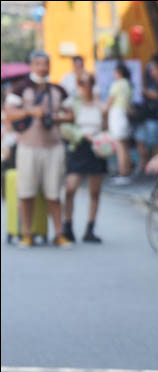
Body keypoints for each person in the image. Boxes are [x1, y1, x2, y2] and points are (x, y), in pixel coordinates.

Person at [2, 50, 74, 248]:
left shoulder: (58, 90)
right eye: (38, 63)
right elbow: (8, 113)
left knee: (54, 192)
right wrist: (30, 111)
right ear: (32, 66)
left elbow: (71, 114)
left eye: (46, 63)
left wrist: (55, 117)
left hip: (53, 147)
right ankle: (27, 234)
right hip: (28, 147)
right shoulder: (20, 88)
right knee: (26, 192)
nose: (43, 67)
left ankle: (58, 234)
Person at [61, 73, 106, 243]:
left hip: (97, 147)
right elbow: (65, 126)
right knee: (70, 188)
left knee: (95, 191)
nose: (86, 85)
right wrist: (81, 135)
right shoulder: (72, 103)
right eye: (82, 82)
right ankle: (68, 226)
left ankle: (90, 228)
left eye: (89, 82)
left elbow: (106, 125)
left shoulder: (99, 105)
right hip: (79, 145)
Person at [104, 62, 133, 185]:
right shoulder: (128, 84)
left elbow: (110, 101)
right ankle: (127, 171)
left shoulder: (117, 84)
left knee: (120, 145)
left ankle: (122, 173)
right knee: (125, 145)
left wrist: (103, 112)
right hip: (124, 114)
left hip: (116, 114)